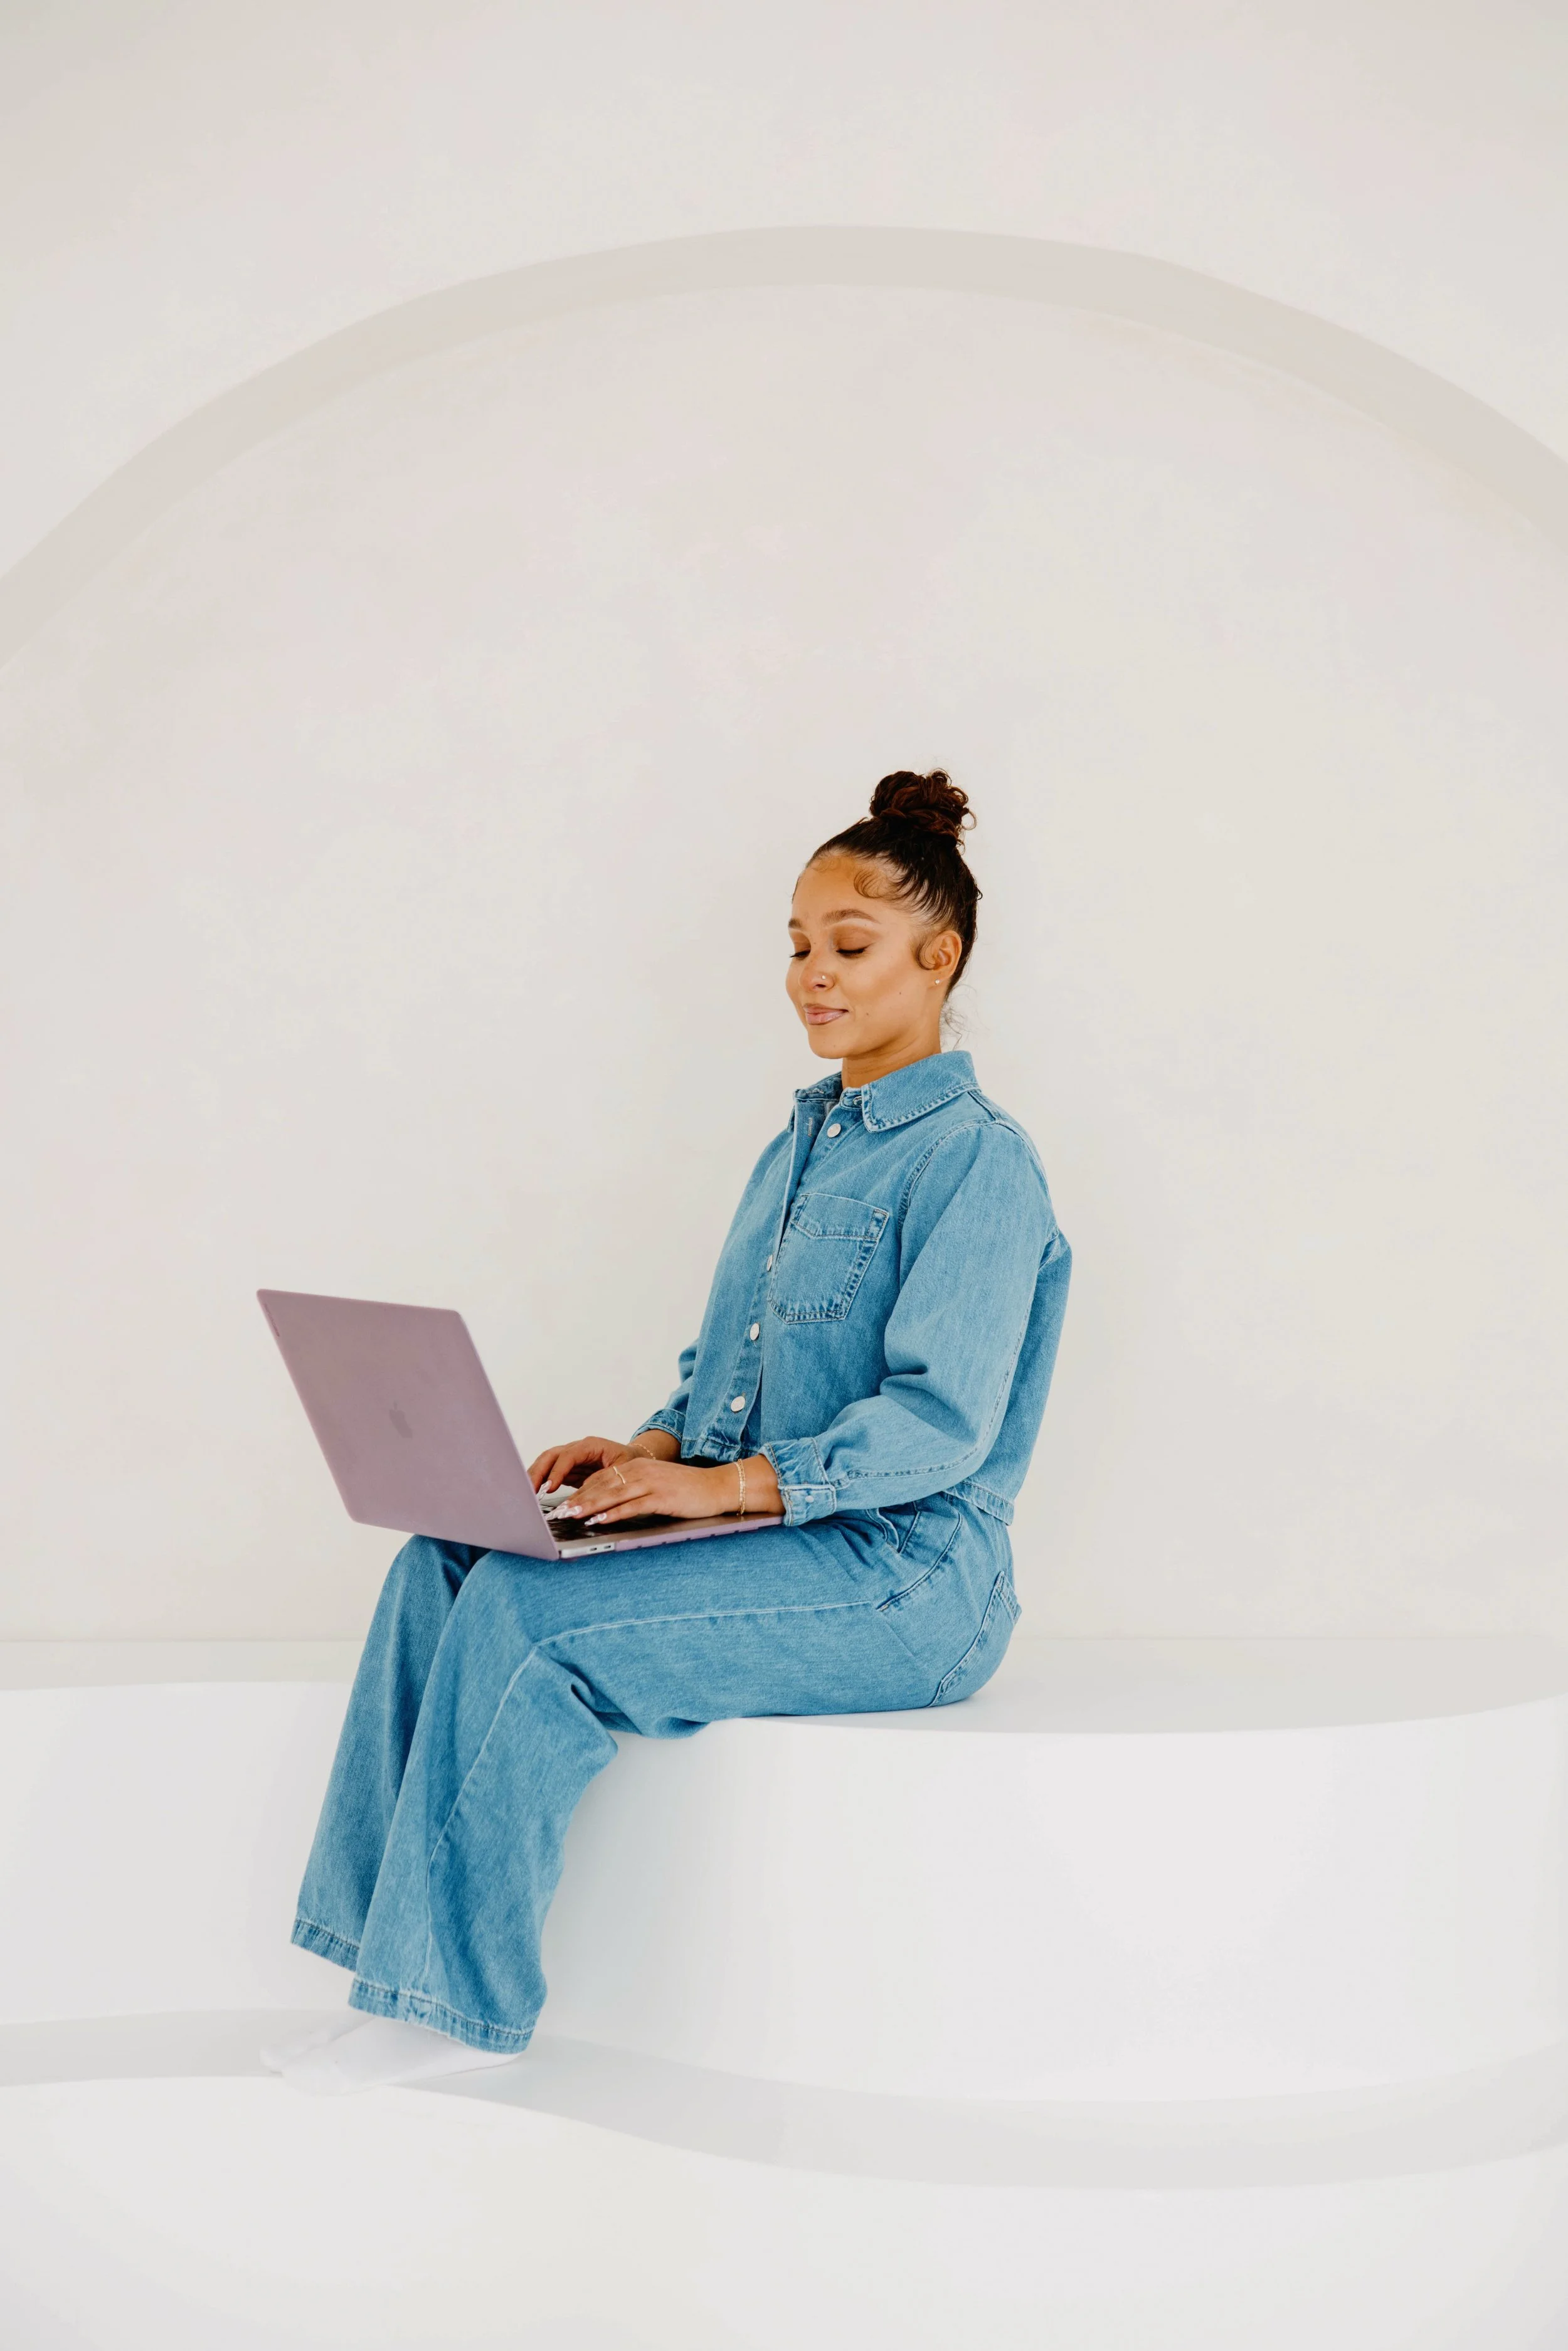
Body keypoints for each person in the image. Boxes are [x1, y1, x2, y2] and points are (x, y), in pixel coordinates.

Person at [265, 769, 1071, 2093]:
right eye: (798, 947)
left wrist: (725, 1487)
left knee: (530, 1619)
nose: (812, 975)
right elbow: (733, 1368)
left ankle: (442, 2009)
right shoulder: (800, 1144)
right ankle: (383, 1968)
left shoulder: (978, 1159)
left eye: (849, 946)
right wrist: (650, 1448)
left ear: (940, 958)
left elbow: (939, 1428)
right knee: (441, 1564)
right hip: (777, 1533)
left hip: (909, 1578)